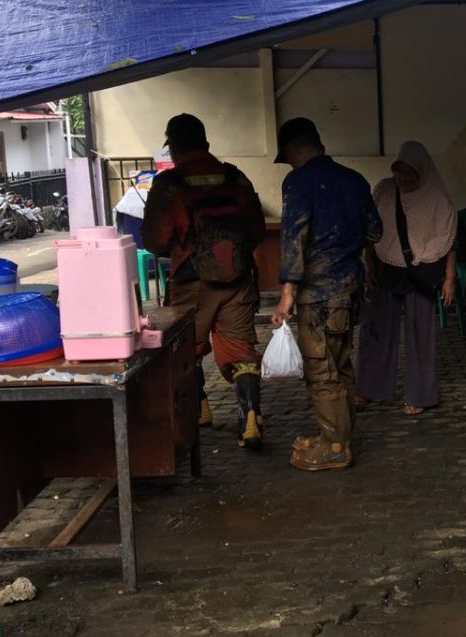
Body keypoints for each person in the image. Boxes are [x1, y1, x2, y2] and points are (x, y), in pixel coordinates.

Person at [141, 113, 267, 449]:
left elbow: (154, 239)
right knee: (241, 350)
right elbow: (256, 229)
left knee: (187, 350)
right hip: (237, 279)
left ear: (175, 148)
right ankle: (251, 419)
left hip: (190, 281)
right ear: (206, 144)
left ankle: (200, 410)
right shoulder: (235, 177)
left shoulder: (169, 185)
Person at [270, 118, 382, 471]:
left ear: (293, 149)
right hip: (351, 288)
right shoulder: (356, 180)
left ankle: (334, 447)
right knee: (342, 362)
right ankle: (337, 436)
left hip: (317, 295)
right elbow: (375, 233)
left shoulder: (298, 182)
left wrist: (287, 293)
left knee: (322, 370)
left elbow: (293, 237)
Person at [355, 142, 457, 416]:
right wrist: (368, 262)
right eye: (399, 173)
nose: (403, 179)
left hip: (421, 272)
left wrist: (449, 278)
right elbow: (371, 229)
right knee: (375, 330)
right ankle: (368, 389)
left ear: (422, 171)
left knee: (420, 335)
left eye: (409, 173)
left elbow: (449, 241)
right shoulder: (385, 192)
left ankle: (420, 396)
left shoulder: (438, 199)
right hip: (386, 268)